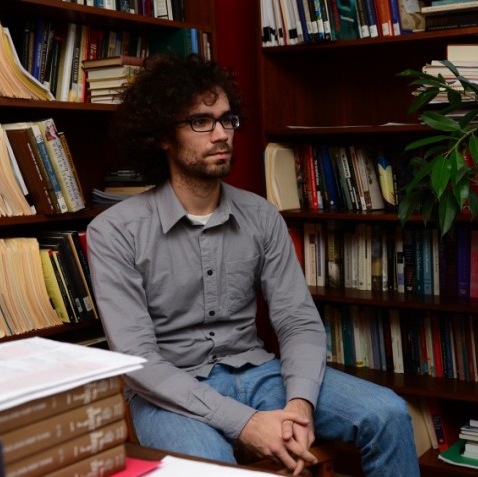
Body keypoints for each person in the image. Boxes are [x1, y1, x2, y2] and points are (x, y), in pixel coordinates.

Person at [86, 54, 420, 477]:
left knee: (388, 413)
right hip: (171, 393)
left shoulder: (261, 216)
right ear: (162, 137)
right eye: (201, 122)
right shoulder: (114, 231)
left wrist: (299, 403)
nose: (221, 134)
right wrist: (244, 423)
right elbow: (139, 361)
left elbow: (298, 322)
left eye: (227, 120)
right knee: (215, 471)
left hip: (260, 373)